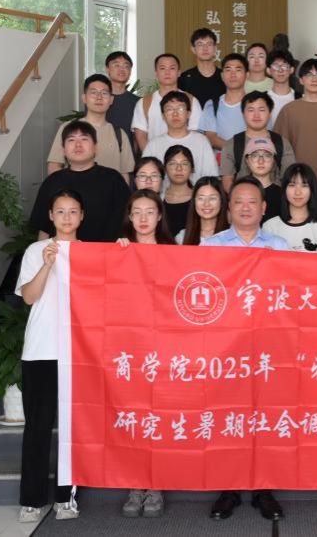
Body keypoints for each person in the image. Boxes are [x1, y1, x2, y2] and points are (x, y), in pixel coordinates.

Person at [202, 178, 287, 521]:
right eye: (238, 202)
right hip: (226, 347)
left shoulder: (279, 245)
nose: (246, 207)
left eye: (253, 201)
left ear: (264, 208)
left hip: (268, 346)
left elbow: (291, 293)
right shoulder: (212, 246)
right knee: (229, 416)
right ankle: (229, 488)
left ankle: (265, 489)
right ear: (229, 208)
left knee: (265, 416)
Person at [17, 189, 83, 524]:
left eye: (73, 211)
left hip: (78, 352)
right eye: (61, 211)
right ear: (51, 216)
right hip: (41, 350)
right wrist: (46, 264)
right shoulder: (36, 250)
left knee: (74, 429)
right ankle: (31, 500)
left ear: (81, 216)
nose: (67, 217)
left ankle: (65, 497)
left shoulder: (89, 253)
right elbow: (29, 297)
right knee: (38, 426)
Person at [115, 189, 174, 519]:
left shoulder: (173, 253)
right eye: (136, 211)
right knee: (134, 415)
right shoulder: (119, 251)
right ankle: (136, 483)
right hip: (129, 348)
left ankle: (156, 483)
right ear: (129, 216)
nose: (142, 218)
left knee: (158, 416)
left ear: (159, 215)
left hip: (164, 349)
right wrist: (116, 257)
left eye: (149, 211)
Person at [29, 120, 130, 242]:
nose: (78, 144)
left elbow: (129, 222)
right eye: (71, 140)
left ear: (95, 147)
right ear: (64, 150)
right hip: (63, 252)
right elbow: (44, 228)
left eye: (84, 139)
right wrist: (42, 252)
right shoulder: (52, 182)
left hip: (106, 251)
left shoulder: (113, 179)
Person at [47, 73, 134, 181]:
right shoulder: (68, 128)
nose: (99, 97)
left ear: (111, 99)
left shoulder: (119, 134)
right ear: (84, 98)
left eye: (104, 93)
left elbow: (124, 174)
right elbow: (54, 165)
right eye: (93, 92)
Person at [220, 91, 296, 190]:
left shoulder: (281, 142)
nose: (256, 115)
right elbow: (227, 180)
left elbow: (289, 179)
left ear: (270, 113)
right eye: (251, 110)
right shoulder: (232, 144)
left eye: (261, 110)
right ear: (243, 114)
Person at [141, 91, 218, 181]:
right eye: (169, 109)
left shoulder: (202, 141)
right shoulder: (153, 145)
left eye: (180, 109)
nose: (175, 114)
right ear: (163, 116)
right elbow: (144, 178)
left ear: (188, 114)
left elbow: (211, 178)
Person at [132, 54, 202, 151]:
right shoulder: (144, 102)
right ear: (156, 73)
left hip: (184, 157)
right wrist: (150, 157)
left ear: (179, 72)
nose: (167, 72)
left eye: (172, 68)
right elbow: (141, 135)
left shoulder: (191, 101)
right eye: (162, 68)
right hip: (153, 156)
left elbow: (195, 133)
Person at [262, 163, 317, 252]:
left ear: (312, 190)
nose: (298, 192)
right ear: (284, 189)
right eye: (292, 185)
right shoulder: (270, 227)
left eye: (304, 185)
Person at [199, 52, 248, 155]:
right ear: (222, 75)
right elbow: (211, 137)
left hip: (251, 161)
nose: (233, 74)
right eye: (228, 70)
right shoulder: (212, 105)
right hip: (220, 163)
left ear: (247, 75)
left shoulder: (255, 104)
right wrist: (238, 152)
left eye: (238, 70)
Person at [177, 27, 225, 108]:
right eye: (200, 44)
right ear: (193, 49)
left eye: (209, 44)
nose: (205, 48)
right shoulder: (184, 79)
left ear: (215, 48)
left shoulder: (225, 76)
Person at [103, 51, 140, 154]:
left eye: (126, 66)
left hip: (130, 158)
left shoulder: (138, 102)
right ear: (107, 69)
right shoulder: (98, 100)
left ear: (130, 71)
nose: (122, 69)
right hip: (102, 157)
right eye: (116, 65)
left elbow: (138, 137)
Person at [238, 138, 282, 224]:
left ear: (273, 160)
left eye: (267, 155)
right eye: (255, 155)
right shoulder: (238, 192)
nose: (261, 161)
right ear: (247, 160)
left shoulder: (283, 194)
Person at [177, 176, 229, 245]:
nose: (206, 204)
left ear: (221, 201)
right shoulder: (182, 237)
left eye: (212, 198)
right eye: (201, 198)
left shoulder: (233, 235)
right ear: (194, 202)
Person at [161, 145, 194, 238]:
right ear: (165, 169)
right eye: (172, 164)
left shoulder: (199, 198)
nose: (179, 168)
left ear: (192, 168)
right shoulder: (158, 199)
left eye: (184, 164)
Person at [265, 49, 299, 127]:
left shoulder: (301, 98)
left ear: (292, 69)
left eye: (284, 66)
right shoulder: (262, 99)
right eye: (276, 66)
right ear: (268, 70)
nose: (280, 70)